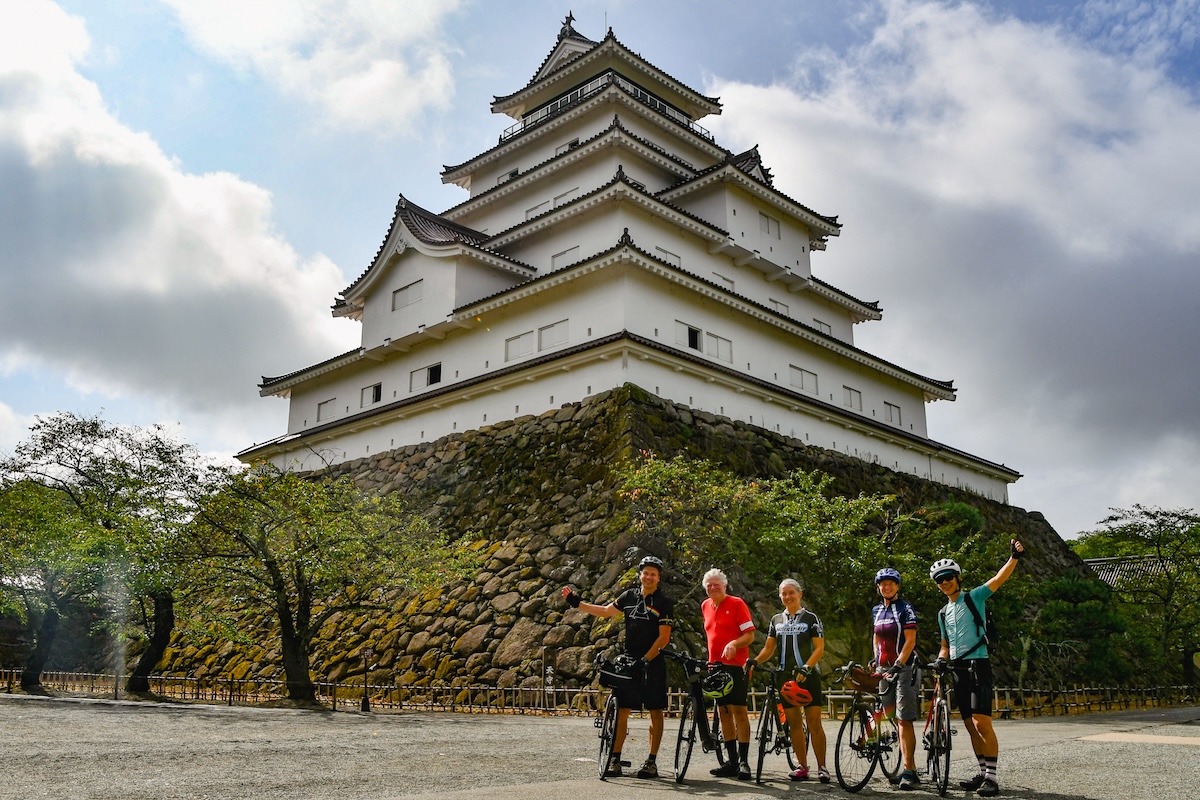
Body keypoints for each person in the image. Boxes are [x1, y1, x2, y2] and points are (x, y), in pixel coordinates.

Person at [561, 555, 673, 779]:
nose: (649, 577)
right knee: (622, 710)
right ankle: (615, 758)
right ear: (640, 575)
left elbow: (663, 638)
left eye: (654, 574)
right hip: (630, 659)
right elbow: (605, 611)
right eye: (646, 572)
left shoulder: (664, 603)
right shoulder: (629, 596)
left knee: (655, 711)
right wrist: (577, 604)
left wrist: (646, 660)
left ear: (658, 578)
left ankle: (651, 762)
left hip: (653, 661)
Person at [931, 539, 1024, 798]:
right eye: (939, 580)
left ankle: (992, 778)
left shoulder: (974, 597)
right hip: (957, 668)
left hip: (978, 664)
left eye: (948, 577)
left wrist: (1013, 558)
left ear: (957, 578)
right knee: (969, 724)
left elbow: (997, 579)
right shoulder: (942, 613)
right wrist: (941, 658)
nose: (944, 582)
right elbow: (945, 644)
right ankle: (983, 773)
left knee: (981, 721)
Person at [747, 578, 828, 782]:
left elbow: (819, 648)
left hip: (808, 675)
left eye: (791, 592)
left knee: (814, 722)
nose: (787, 597)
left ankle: (823, 767)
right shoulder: (776, 620)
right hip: (785, 677)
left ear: (800, 594)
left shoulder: (811, 618)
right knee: (794, 724)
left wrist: (807, 667)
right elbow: (769, 648)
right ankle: (802, 766)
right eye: (784, 594)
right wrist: (755, 661)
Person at [700, 568, 756, 780]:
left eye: (717, 584)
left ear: (725, 586)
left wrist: (734, 643)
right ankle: (730, 762)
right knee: (723, 712)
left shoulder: (736, 603)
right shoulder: (705, 605)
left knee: (740, 712)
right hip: (715, 666)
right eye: (709, 585)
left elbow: (749, 635)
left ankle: (743, 762)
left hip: (736, 666)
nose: (713, 588)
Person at [871, 567, 920, 790]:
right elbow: (875, 637)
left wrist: (899, 664)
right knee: (890, 714)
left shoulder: (905, 608)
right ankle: (911, 764)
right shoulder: (877, 610)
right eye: (883, 583)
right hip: (883, 668)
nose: (887, 586)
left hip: (904, 668)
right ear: (879, 587)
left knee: (903, 719)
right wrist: (876, 660)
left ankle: (908, 770)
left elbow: (910, 640)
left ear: (897, 586)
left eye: (891, 583)